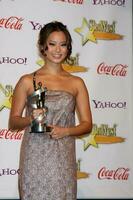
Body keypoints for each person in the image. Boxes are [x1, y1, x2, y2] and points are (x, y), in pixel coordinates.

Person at [9, 21, 92, 200]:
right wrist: (30, 118)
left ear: (68, 48)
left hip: (63, 157)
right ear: (42, 47)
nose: (57, 50)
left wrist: (66, 131)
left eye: (63, 45)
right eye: (52, 44)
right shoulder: (26, 81)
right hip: (34, 156)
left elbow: (87, 125)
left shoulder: (76, 83)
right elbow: (13, 122)